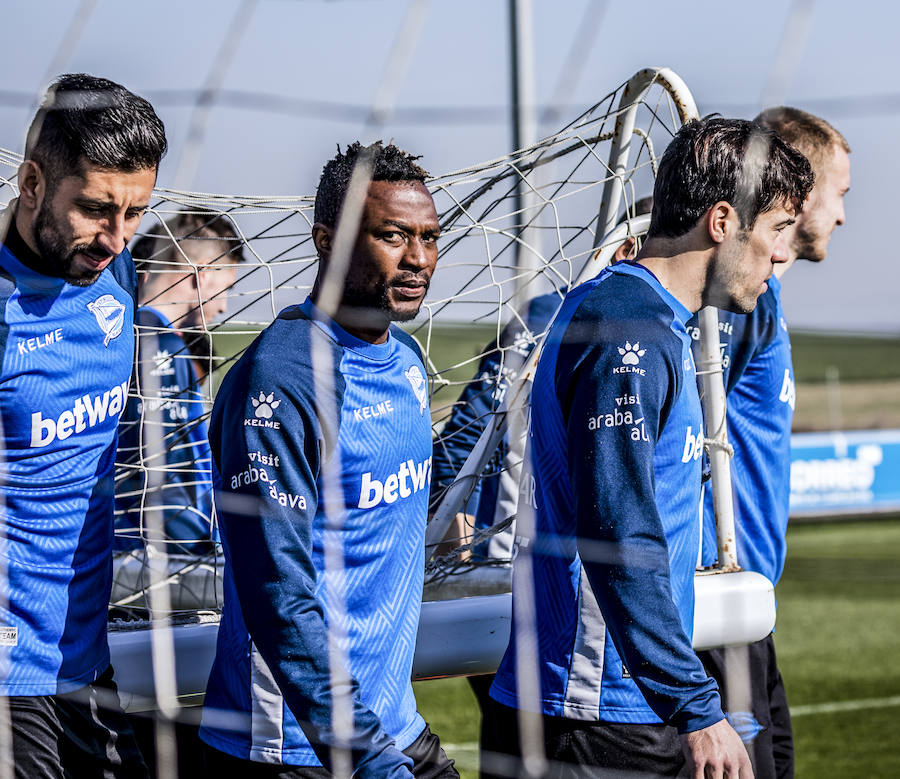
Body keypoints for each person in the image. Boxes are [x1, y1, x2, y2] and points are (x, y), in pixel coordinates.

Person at [483, 116, 813, 778]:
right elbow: (618, 532)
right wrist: (695, 706)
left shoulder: (655, 320)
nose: (783, 254)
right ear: (722, 221)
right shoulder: (625, 331)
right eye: (778, 228)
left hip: (624, 704)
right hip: (592, 711)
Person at [199, 141, 458, 777]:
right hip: (297, 744)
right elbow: (277, 590)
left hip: (395, 724)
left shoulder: (404, 361)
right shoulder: (282, 379)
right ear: (326, 239)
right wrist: (360, 752)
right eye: (393, 236)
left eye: (429, 237)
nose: (418, 259)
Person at [0, 74, 166, 777]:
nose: (117, 238)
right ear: (32, 181)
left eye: (134, 213)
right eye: (97, 209)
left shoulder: (114, 271)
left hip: (83, 655)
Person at [692, 108, 851, 779]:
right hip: (710, 600)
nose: (842, 215)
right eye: (840, 193)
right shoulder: (731, 305)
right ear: (801, 189)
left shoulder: (763, 301)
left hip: (745, 599)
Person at [115, 210, 245, 555]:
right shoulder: (160, 345)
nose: (223, 306)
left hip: (125, 546)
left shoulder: (124, 335)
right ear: (200, 277)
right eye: (225, 288)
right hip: (158, 556)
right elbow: (163, 473)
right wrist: (200, 550)